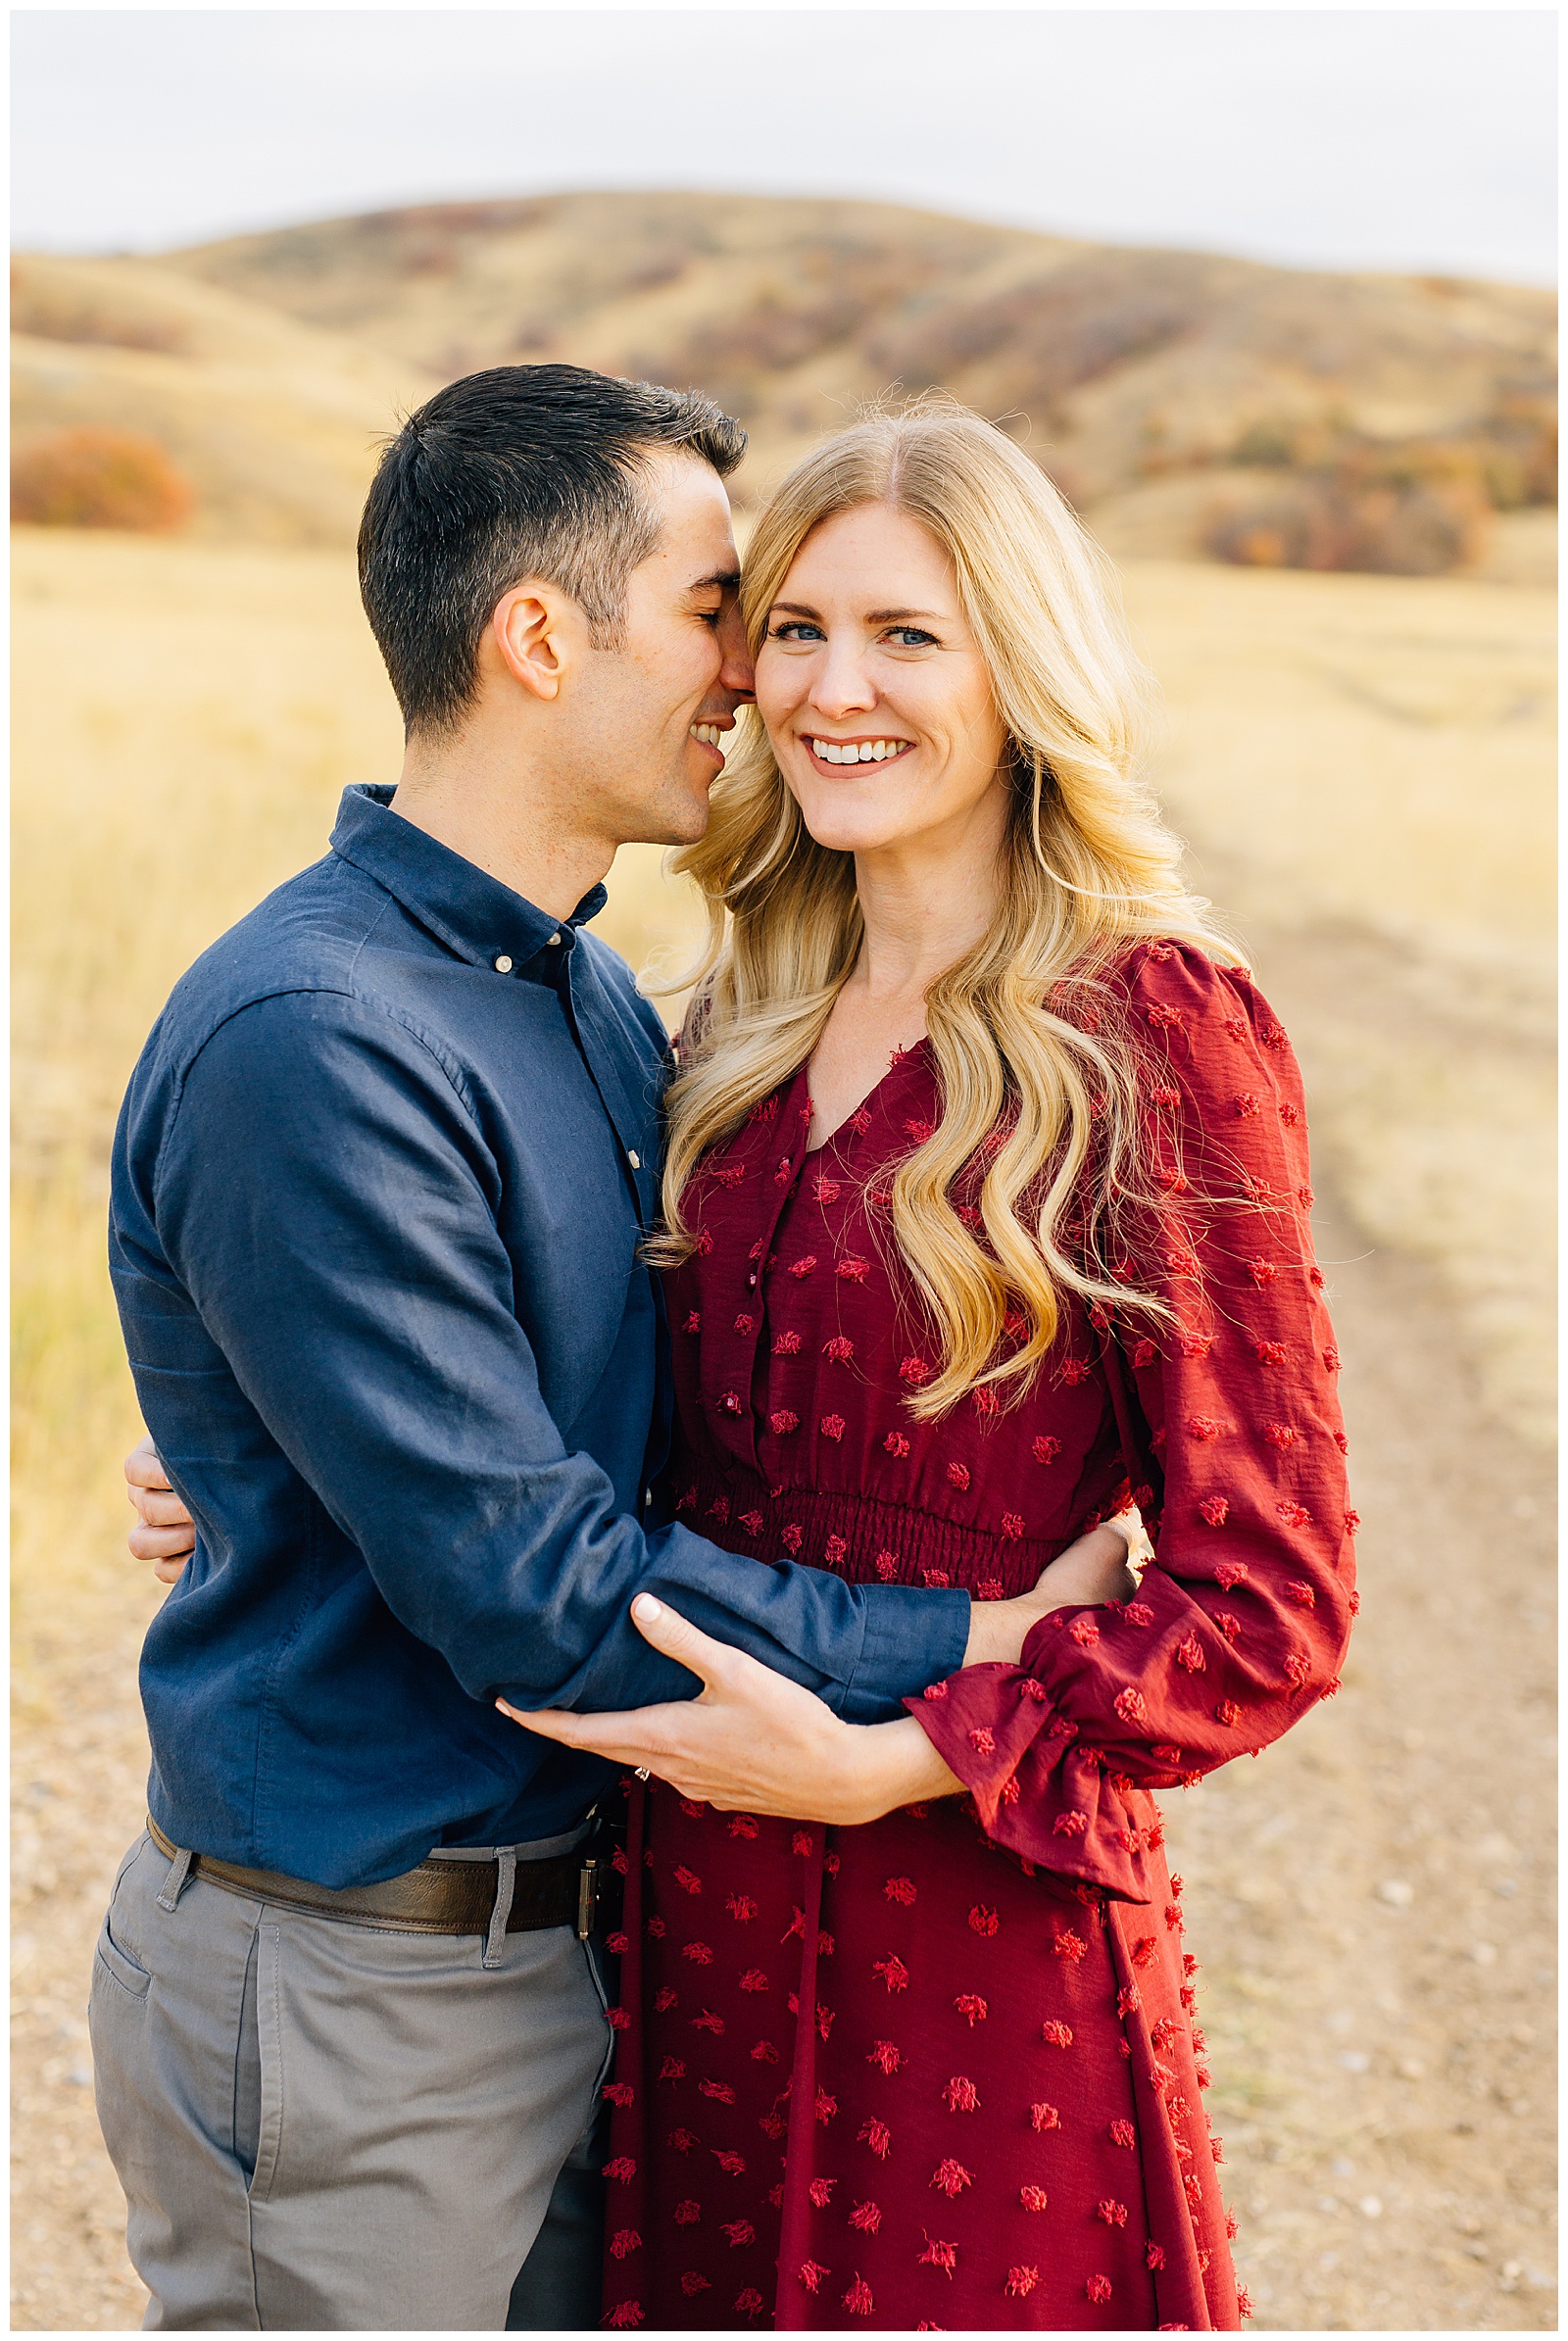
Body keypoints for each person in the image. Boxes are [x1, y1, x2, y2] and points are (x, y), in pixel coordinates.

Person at [102, 367, 1125, 2333]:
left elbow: (615, 1410)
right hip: (359, 1991)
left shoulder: (575, 992)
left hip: (582, 1946)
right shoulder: (318, 1036)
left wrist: (254, 1466)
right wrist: (985, 1644)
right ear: (539, 635)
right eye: (715, 608)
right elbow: (541, 1595)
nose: (751, 673)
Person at [494, 402, 1357, 2330]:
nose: (831, 690)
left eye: (904, 635)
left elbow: (1267, 1606)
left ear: (1019, 667)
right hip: (691, 1912)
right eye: (792, 631)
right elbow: (574, 1436)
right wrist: (274, 1462)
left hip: (973, 1925)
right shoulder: (713, 1033)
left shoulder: (1157, 1033)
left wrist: (882, 1760)